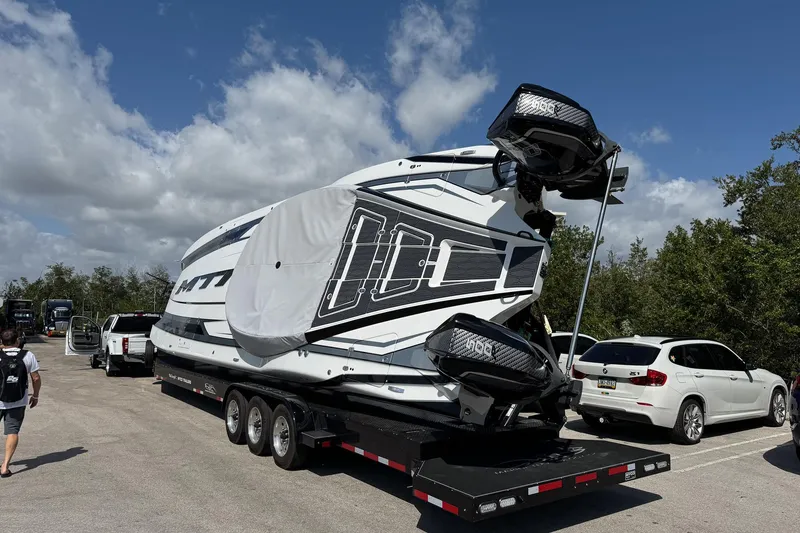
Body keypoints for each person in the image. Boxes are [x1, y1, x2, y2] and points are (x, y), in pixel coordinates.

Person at [0, 328, 41, 477]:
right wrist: (35, 396)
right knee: (12, 432)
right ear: (17, 341)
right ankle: (5, 466)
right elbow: (35, 378)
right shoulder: (27, 355)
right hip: (18, 400)